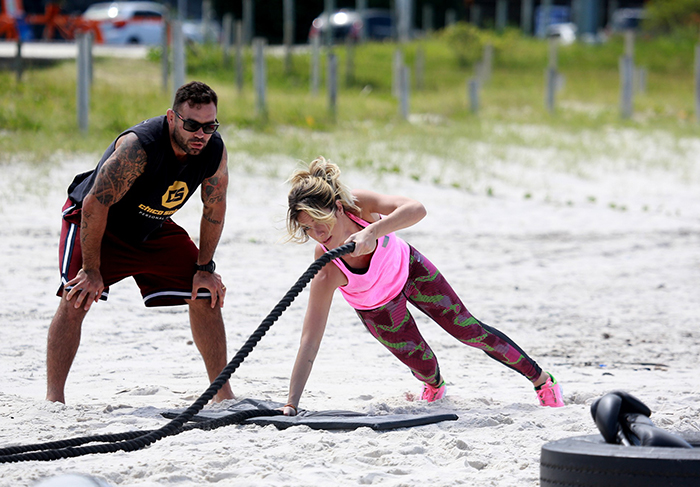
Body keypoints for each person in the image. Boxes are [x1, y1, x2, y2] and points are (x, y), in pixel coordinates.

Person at [280, 157, 564, 416]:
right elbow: (310, 338)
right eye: (307, 229)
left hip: (411, 271)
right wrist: (292, 403)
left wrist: (373, 230)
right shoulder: (325, 265)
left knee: (469, 331)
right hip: (377, 307)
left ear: (338, 208)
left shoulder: (360, 206)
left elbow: (417, 208)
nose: (318, 235)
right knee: (424, 366)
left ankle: (542, 381)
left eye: (320, 222)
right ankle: (434, 386)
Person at [46, 81, 234, 404]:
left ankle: (223, 394)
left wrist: (205, 267)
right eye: (192, 125)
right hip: (97, 224)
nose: (201, 134)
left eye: (209, 126)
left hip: (151, 227)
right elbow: (95, 204)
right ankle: (54, 399)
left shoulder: (213, 150)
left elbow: (214, 207)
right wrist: (92, 269)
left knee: (204, 291)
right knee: (77, 295)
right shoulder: (140, 147)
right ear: (172, 118)